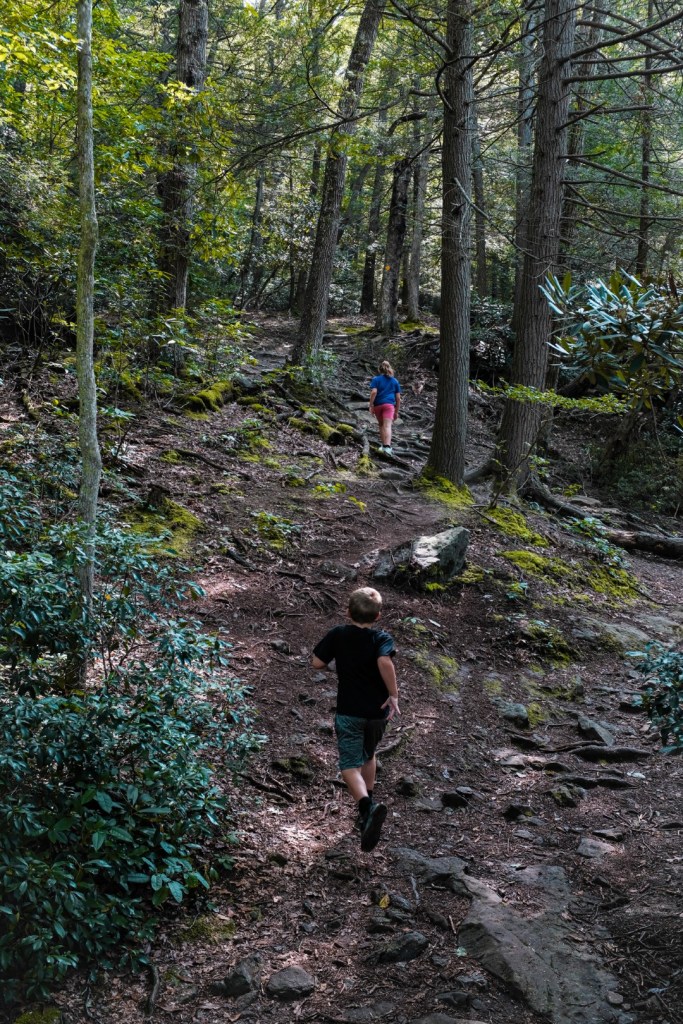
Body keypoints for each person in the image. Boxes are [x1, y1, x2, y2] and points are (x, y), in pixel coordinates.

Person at [311, 587, 400, 852]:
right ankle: (366, 811)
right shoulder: (381, 638)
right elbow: (384, 661)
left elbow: (316, 663)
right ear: (378, 615)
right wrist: (393, 694)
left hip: (350, 711)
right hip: (377, 713)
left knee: (349, 765)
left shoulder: (338, 634)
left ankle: (366, 806)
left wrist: (337, 664)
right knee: (368, 755)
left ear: (348, 612)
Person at [368, 360, 401, 456]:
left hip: (378, 405)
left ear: (380, 369)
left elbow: (374, 392)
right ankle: (387, 447)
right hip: (389, 406)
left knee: (381, 425)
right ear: (389, 368)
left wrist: (371, 405)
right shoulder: (394, 381)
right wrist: (396, 411)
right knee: (387, 426)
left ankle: (383, 446)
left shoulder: (376, 379)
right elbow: (398, 398)